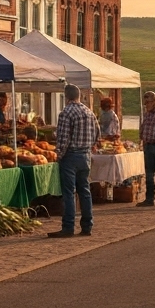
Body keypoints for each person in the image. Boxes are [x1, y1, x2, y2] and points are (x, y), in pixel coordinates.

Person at [48, 84, 97, 238]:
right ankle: (87, 226)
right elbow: (97, 133)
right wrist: (89, 146)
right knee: (85, 191)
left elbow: (63, 139)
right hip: (85, 155)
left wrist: (58, 155)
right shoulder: (89, 112)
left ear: (66, 96)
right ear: (78, 96)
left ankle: (68, 226)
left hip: (71, 156)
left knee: (69, 192)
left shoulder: (66, 113)